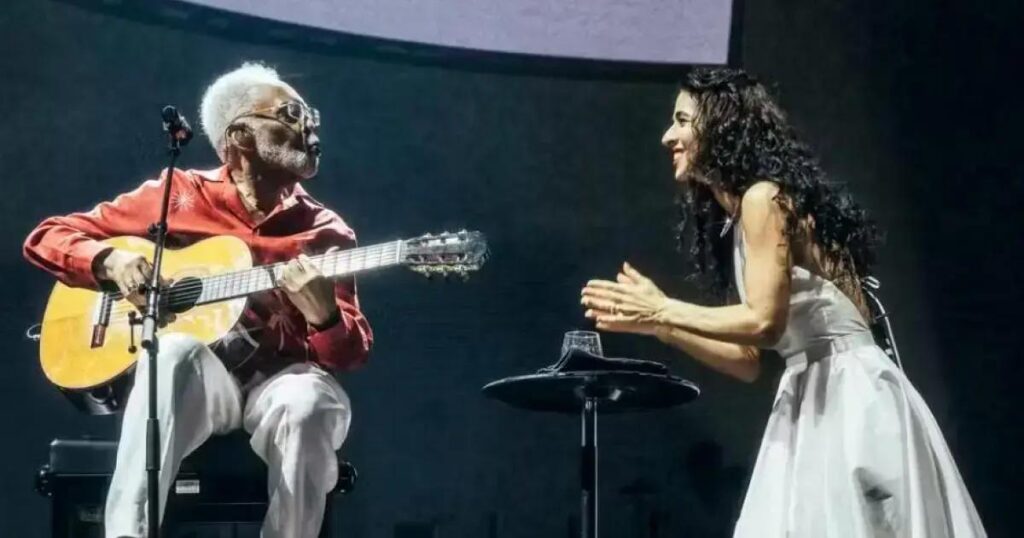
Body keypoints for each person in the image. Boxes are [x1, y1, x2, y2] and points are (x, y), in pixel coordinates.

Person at [580, 67, 985, 537]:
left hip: (850, 398)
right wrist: (661, 328)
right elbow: (749, 360)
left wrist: (661, 308)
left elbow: (764, 323)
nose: (668, 135)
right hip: (811, 393)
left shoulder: (762, 198)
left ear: (721, 124)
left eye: (682, 120)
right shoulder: (738, 219)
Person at [23, 62, 373, 538]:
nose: (310, 124)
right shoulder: (178, 195)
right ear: (242, 137)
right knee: (172, 351)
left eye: (310, 114)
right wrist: (110, 263)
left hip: (279, 382)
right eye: (292, 113)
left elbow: (350, 354)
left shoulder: (327, 231)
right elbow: (47, 236)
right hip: (200, 384)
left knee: (310, 400)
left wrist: (325, 315)